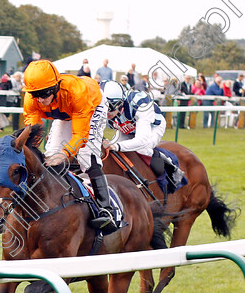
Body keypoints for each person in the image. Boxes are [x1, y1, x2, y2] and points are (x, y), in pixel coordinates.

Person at [21, 60, 118, 233]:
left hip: (92, 105)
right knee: (50, 155)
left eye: (44, 93)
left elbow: (80, 136)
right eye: (36, 95)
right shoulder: (31, 98)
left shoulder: (77, 92)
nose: (40, 99)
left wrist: (65, 153)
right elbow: (33, 133)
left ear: (55, 87)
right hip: (65, 111)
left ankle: (106, 209)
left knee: (87, 156)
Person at [102, 80, 174, 185]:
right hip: (127, 128)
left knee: (143, 149)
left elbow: (142, 140)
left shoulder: (140, 103)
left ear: (121, 102)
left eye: (111, 107)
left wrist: (116, 146)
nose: (107, 112)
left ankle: (170, 167)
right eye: (104, 107)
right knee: (111, 152)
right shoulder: (99, 108)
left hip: (152, 125)